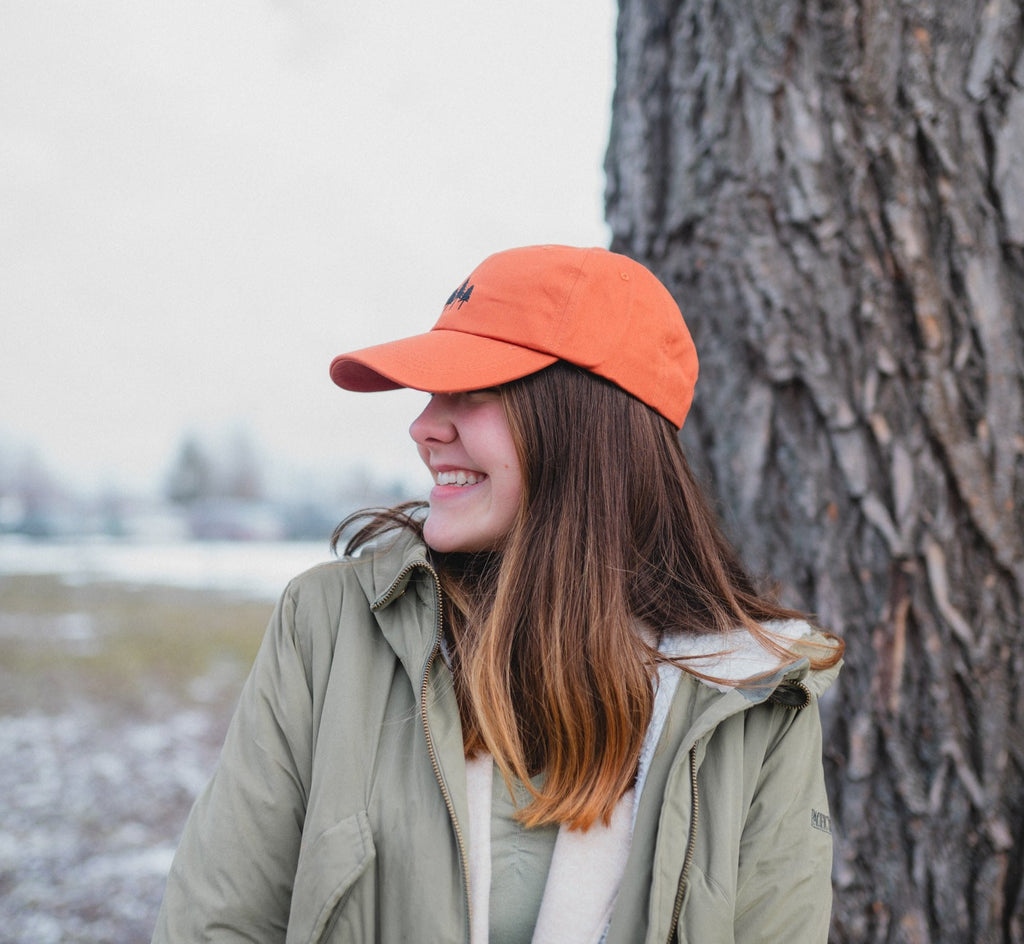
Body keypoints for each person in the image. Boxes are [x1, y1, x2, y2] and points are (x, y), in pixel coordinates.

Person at [152, 244, 843, 944]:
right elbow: (217, 924)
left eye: (472, 391)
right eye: (429, 392)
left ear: (587, 426)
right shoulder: (330, 630)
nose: (423, 427)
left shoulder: (753, 695)